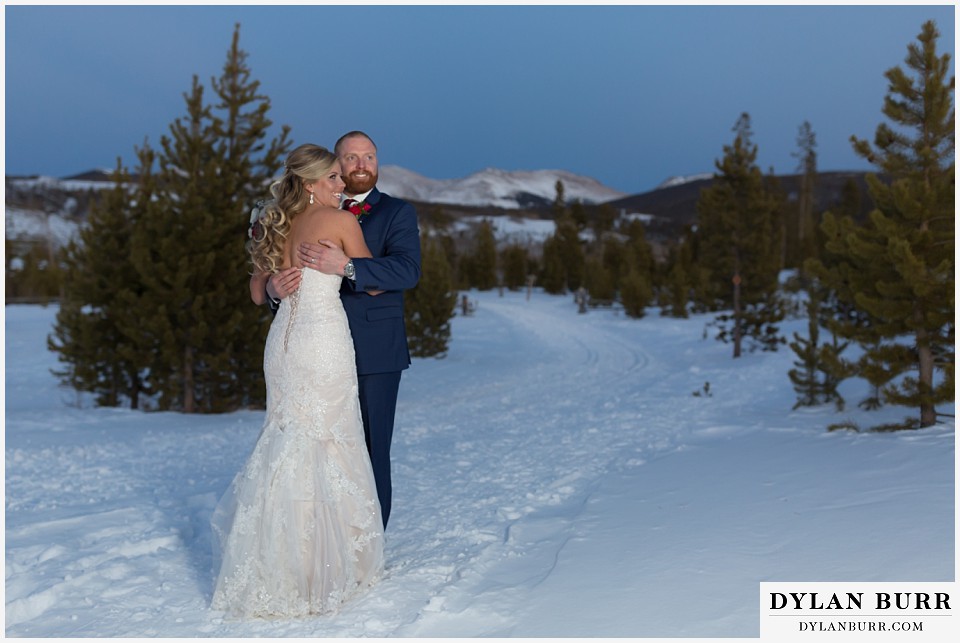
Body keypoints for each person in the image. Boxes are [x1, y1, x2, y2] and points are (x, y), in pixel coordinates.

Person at [211, 144, 384, 619]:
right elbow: (373, 281)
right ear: (309, 184)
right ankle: (322, 570)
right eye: (331, 177)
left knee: (288, 440)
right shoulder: (343, 222)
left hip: (282, 347)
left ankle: (282, 565)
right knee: (329, 442)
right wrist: (344, 265)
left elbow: (254, 291)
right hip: (322, 343)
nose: (340, 184)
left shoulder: (272, 221)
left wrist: (269, 288)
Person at [266, 131, 421, 529]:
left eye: (369, 156)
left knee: (367, 450)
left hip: (373, 350)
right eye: (350, 159)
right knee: (312, 447)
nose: (361, 165)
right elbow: (269, 274)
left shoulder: (395, 212)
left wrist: (346, 267)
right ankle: (316, 539)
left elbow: (407, 271)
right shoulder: (291, 216)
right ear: (334, 166)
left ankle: (368, 541)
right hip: (313, 348)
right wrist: (271, 289)